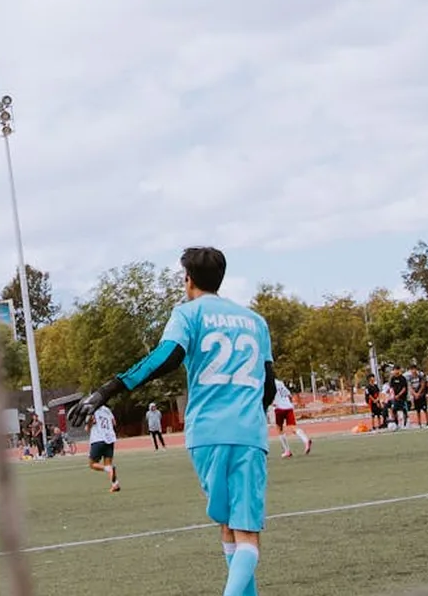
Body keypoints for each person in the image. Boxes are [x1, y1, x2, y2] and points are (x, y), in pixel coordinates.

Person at [69, 246, 275, 596]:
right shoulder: (256, 321)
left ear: (188, 279)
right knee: (248, 536)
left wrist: (107, 390)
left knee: (228, 526)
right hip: (248, 433)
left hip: (206, 434)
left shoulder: (188, 314)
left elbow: (164, 358)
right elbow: (268, 387)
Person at [271, 380, 311, 458]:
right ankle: (306, 440)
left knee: (279, 428)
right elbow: (289, 395)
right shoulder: (280, 383)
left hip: (279, 408)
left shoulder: (268, 383)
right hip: (289, 407)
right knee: (293, 427)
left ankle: (287, 451)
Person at [85, 404, 120, 492]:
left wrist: (89, 424)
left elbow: (87, 428)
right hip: (110, 438)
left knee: (92, 464)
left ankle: (109, 469)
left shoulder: (91, 410)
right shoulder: (107, 409)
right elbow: (114, 423)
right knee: (108, 463)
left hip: (98, 439)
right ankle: (115, 484)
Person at [407, 364, 428, 428]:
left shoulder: (420, 376)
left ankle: (427, 422)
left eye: (414, 369)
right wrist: (415, 394)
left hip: (422, 395)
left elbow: (423, 385)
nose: (413, 371)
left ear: (416, 369)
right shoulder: (410, 378)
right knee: (418, 410)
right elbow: (410, 387)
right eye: (411, 369)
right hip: (415, 396)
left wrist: (419, 393)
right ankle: (419, 423)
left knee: (425, 409)